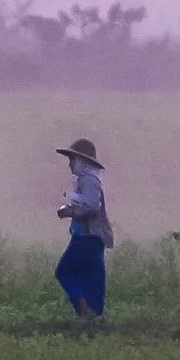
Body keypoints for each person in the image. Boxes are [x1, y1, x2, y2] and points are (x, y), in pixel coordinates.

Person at [54, 138, 113, 322]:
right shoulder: (88, 179)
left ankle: (85, 312)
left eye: (72, 160)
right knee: (92, 276)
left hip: (86, 236)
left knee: (64, 271)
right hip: (91, 236)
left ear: (83, 160)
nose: (70, 164)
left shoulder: (89, 180)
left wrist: (70, 212)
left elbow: (92, 206)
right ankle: (94, 316)